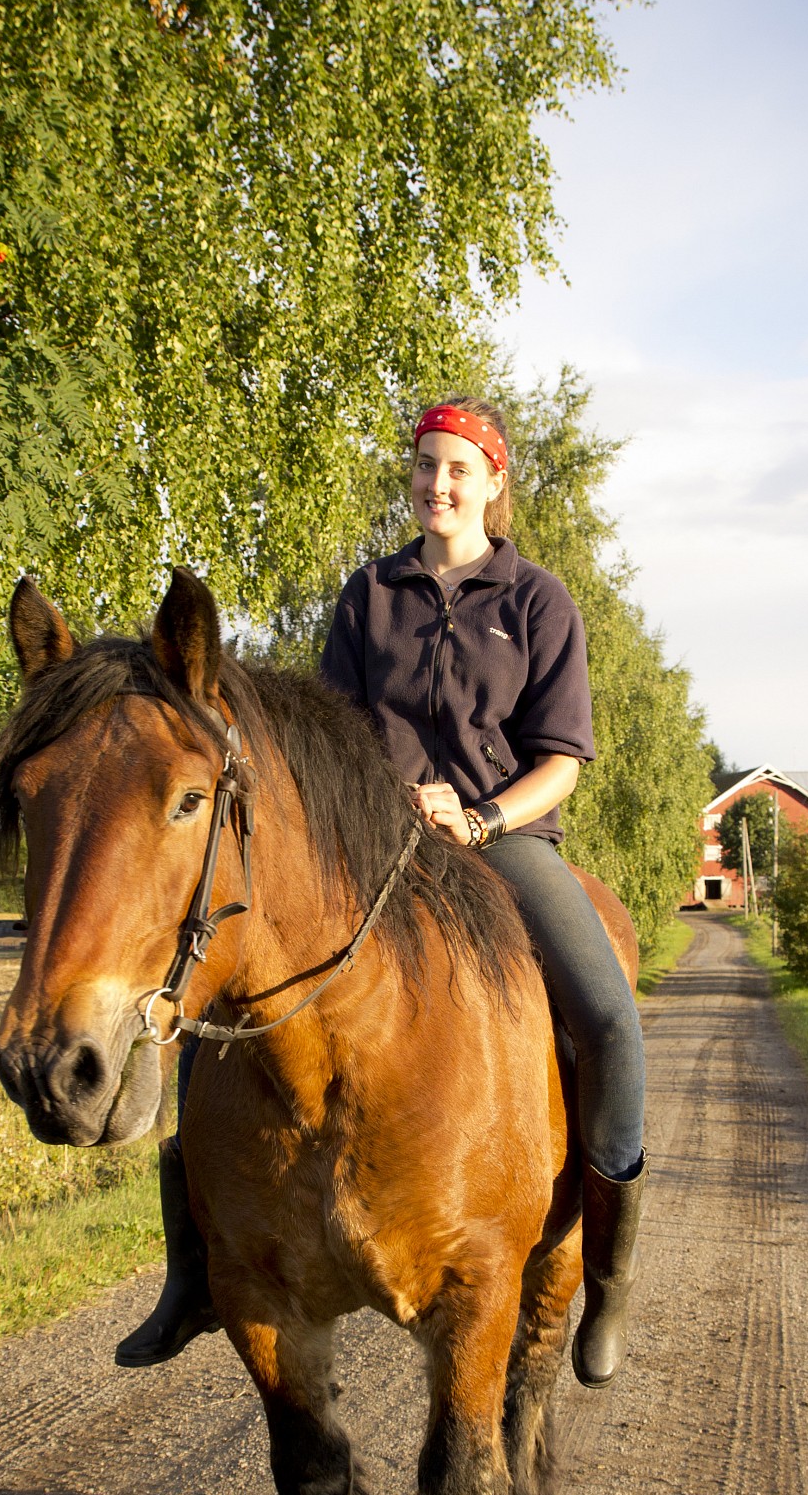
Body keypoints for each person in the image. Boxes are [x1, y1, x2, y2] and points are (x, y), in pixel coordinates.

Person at [116, 396, 646, 1386]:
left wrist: (481, 817)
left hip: (503, 843)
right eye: (423, 467)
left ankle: (606, 1273)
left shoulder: (538, 602)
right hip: (376, 847)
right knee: (213, 1013)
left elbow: (562, 759)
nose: (436, 485)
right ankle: (193, 1272)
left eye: (457, 468)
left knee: (607, 1020)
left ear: (493, 482)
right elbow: (329, 731)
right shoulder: (369, 595)